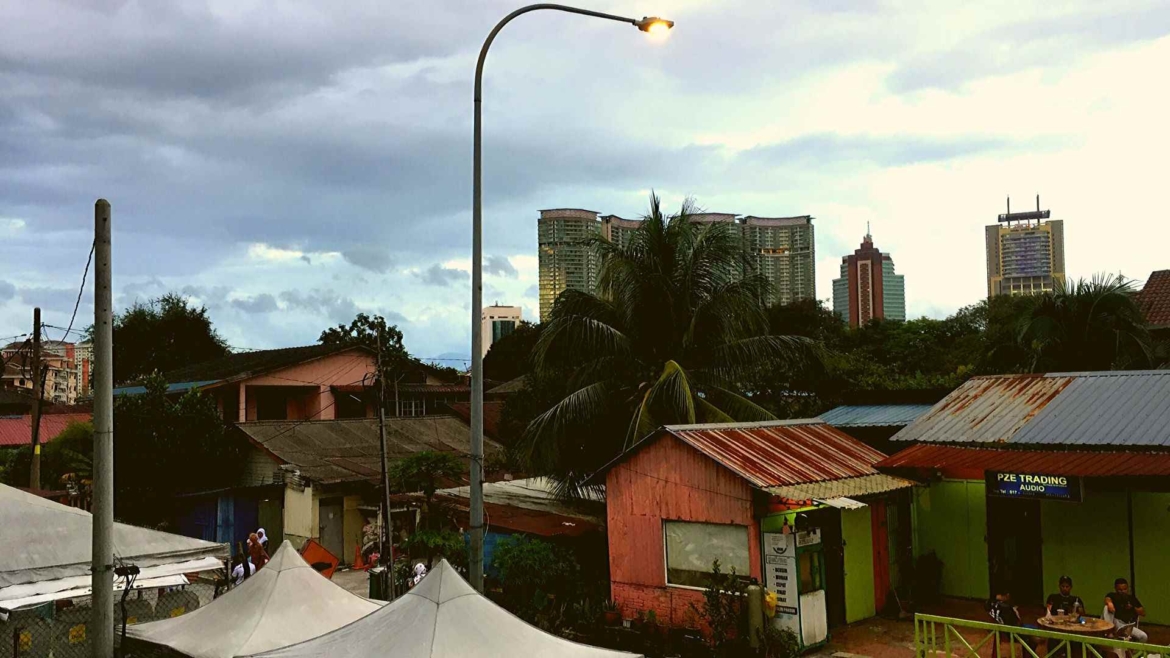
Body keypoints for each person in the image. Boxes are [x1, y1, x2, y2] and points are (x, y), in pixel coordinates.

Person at [1105, 578, 1147, 646]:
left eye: (1124, 589)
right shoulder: (1113, 596)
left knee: (1143, 636)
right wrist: (1110, 603)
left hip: (1127, 626)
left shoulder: (1131, 598)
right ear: (1115, 588)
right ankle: (1109, 632)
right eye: (1120, 590)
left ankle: (1135, 654)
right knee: (1106, 608)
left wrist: (1133, 607)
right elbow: (1107, 599)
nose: (1122, 591)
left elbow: (1143, 612)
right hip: (1115, 623)